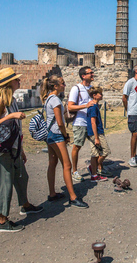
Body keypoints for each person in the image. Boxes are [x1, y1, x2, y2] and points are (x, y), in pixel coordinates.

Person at [0, 67, 43, 233]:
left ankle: (25, 205)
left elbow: (15, 129)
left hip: (14, 149)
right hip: (2, 151)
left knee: (22, 176)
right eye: (16, 79)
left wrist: (21, 150)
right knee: (5, 184)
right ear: (9, 83)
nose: (19, 81)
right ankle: (2, 221)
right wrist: (11, 116)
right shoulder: (0, 102)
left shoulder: (12, 100)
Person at [41, 75, 89, 208]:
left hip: (49, 133)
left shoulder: (48, 98)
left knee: (52, 162)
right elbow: (60, 122)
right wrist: (65, 135)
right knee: (67, 165)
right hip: (56, 134)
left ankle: (52, 193)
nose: (64, 85)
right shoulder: (55, 100)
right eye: (62, 83)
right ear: (55, 86)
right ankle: (73, 197)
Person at [67, 66, 96, 182]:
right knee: (77, 146)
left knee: (97, 146)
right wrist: (85, 105)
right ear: (83, 76)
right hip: (80, 122)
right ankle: (74, 171)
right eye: (90, 73)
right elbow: (70, 106)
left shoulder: (92, 88)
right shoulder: (76, 88)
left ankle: (94, 169)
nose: (93, 74)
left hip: (91, 122)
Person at [122, 64, 137, 167]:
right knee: (135, 133)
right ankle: (132, 158)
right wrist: (128, 109)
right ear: (136, 71)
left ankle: (135, 155)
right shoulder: (130, 82)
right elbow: (124, 97)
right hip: (133, 112)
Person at [86, 86, 112, 182]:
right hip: (96, 133)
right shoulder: (93, 107)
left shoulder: (94, 106)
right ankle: (94, 167)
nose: (102, 95)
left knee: (95, 154)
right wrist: (96, 137)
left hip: (92, 133)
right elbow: (93, 122)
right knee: (105, 151)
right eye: (100, 94)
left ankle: (94, 175)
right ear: (94, 96)